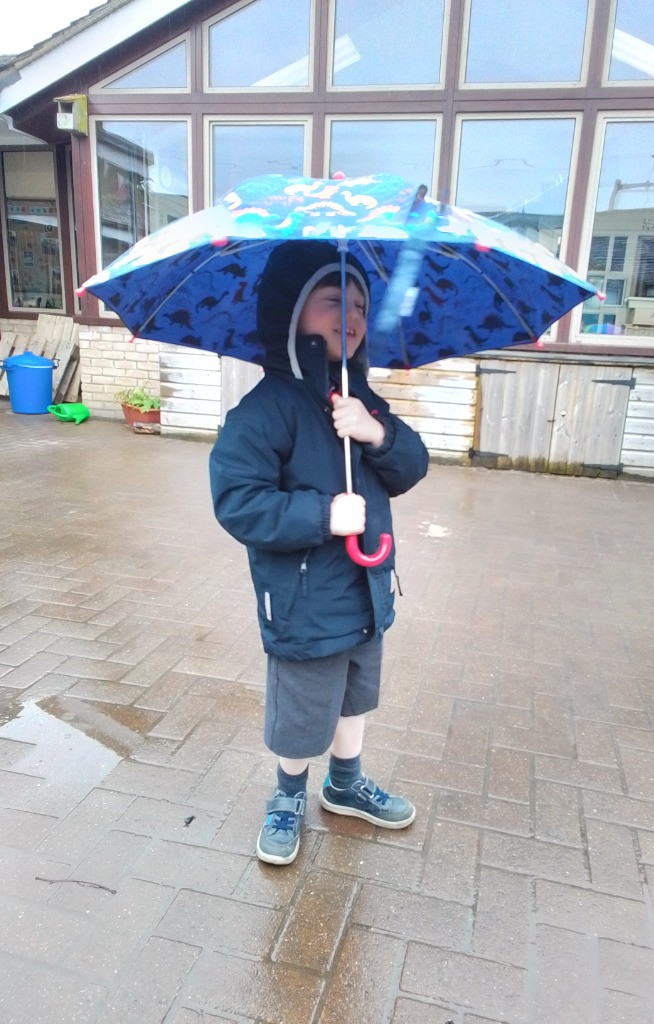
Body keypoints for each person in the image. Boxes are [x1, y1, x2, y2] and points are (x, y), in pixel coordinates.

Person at [209, 240, 429, 865]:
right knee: (304, 707)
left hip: (365, 587)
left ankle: (345, 781)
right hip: (304, 599)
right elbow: (238, 501)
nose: (351, 315)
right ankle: (286, 795)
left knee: (356, 694)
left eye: (360, 303)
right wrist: (323, 514)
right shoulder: (265, 412)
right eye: (334, 299)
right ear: (291, 312)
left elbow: (412, 466)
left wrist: (376, 431)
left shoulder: (362, 401)